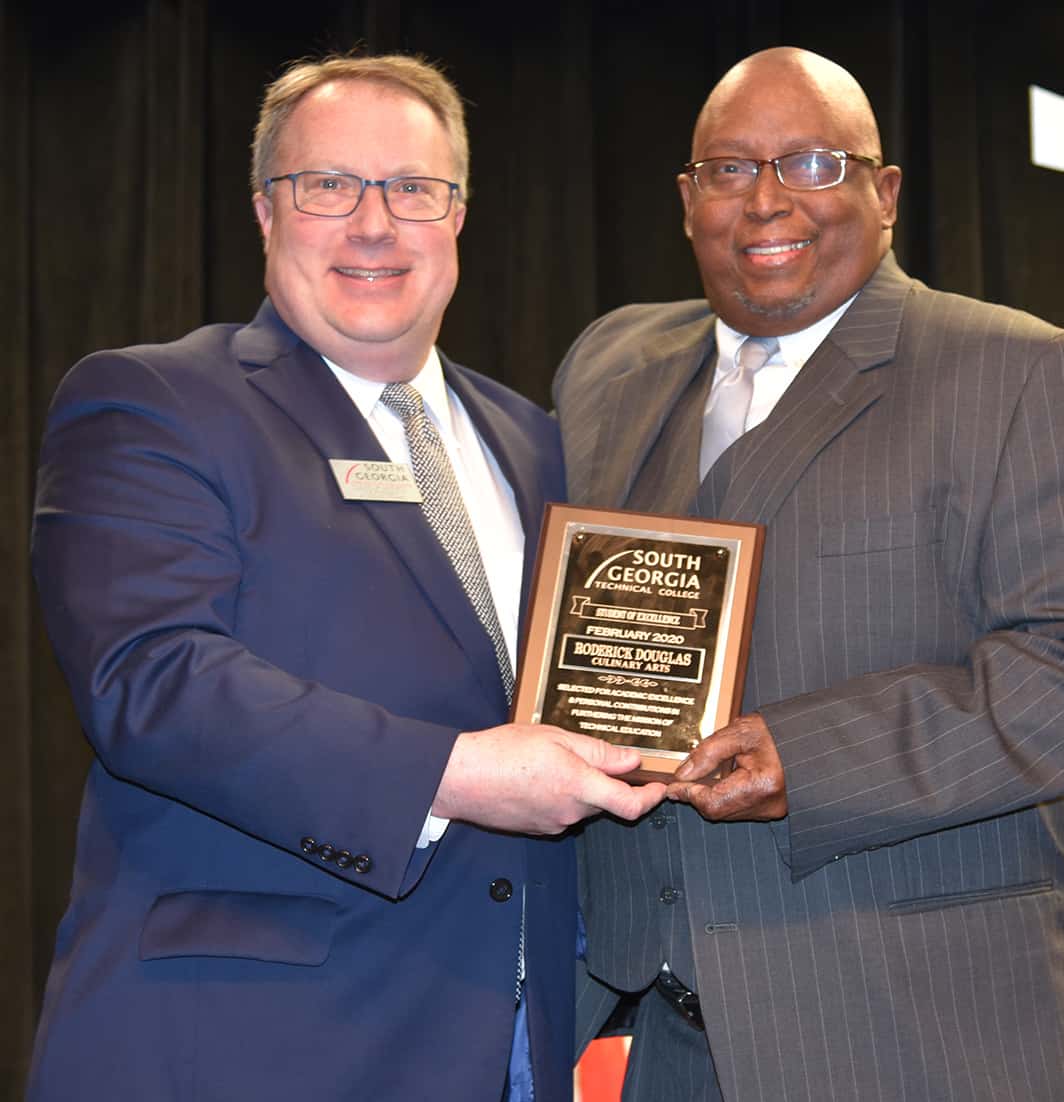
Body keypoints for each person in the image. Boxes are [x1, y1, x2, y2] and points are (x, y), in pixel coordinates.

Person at [26, 53, 664, 1102]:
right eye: (329, 186)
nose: (375, 224)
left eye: (413, 189)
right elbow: (150, 681)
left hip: (516, 1043)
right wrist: (452, 773)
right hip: (253, 1047)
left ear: (457, 216)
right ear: (266, 212)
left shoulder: (535, 440)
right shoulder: (152, 404)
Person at [554, 46, 1064, 1101]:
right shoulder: (611, 367)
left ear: (883, 191)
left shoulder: (1022, 371)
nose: (763, 201)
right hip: (655, 1036)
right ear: (685, 199)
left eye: (811, 164)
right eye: (727, 169)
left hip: (919, 1033)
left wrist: (816, 758)